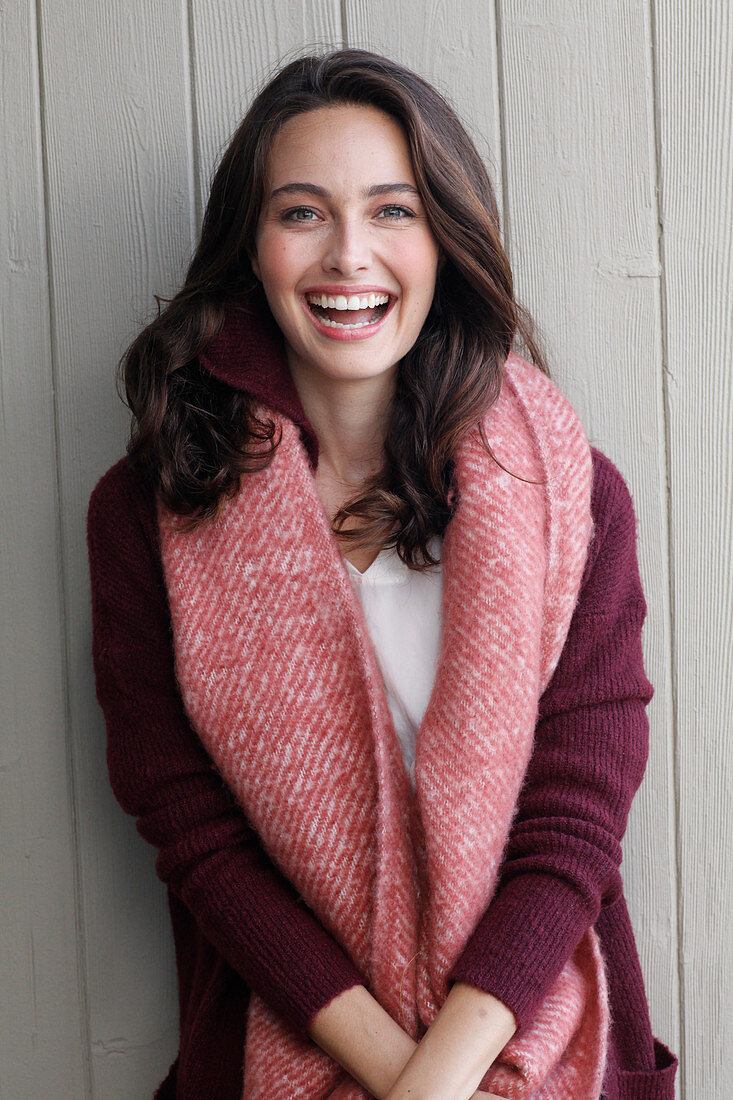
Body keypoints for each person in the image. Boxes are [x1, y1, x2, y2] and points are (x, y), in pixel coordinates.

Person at [86, 47, 678, 1100]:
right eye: (302, 213)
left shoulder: (569, 494)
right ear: (251, 246)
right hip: (291, 1044)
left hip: (534, 1039)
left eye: (393, 212)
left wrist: (436, 1081)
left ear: (445, 241)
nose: (348, 255)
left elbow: (576, 817)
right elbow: (197, 836)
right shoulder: (150, 512)